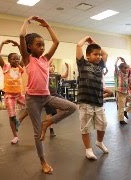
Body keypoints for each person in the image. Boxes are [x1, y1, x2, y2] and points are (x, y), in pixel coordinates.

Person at [19, 16, 77, 174]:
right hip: (32, 100)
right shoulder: (27, 59)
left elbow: (56, 42)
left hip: (47, 96)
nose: (42, 47)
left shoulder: (45, 59)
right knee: (37, 134)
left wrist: (47, 26)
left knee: (72, 107)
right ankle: (43, 161)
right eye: (38, 45)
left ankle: (48, 123)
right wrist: (27, 22)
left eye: (43, 45)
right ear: (29, 47)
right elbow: (21, 37)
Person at [76, 36, 109, 160]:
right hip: (85, 102)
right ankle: (88, 150)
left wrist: (94, 42)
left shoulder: (100, 66)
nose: (99, 56)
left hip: (98, 101)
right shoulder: (82, 64)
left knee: (103, 124)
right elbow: (78, 46)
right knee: (86, 127)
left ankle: (99, 142)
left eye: (99, 55)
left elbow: (105, 53)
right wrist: (86, 39)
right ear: (88, 56)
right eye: (95, 54)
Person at [0, 39, 29, 144]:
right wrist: (1, 44)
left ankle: (20, 120)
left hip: (19, 95)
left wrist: (19, 45)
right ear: (9, 60)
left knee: (31, 106)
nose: (16, 61)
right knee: (12, 116)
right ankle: (15, 136)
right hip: (9, 96)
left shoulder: (20, 67)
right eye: (14, 59)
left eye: (17, 59)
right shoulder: (5, 67)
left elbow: (24, 55)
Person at [45, 61, 70, 137]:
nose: (52, 67)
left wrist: (68, 68)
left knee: (67, 105)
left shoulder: (56, 75)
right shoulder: (45, 74)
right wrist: (48, 63)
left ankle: (56, 115)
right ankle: (51, 129)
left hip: (55, 94)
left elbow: (65, 76)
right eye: (50, 66)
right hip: (47, 96)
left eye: (53, 66)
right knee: (49, 113)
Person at [114, 57, 131, 124]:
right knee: (121, 107)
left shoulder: (127, 73)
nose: (126, 69)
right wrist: (117, 60)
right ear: (120, 68)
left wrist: (124, 61)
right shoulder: (118, 73)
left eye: (126, 68)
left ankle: (125, 111)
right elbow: (115, 66)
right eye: (125, 68)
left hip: (127, 92)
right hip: (120, 92)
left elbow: (128, 67)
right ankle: (121, 120)